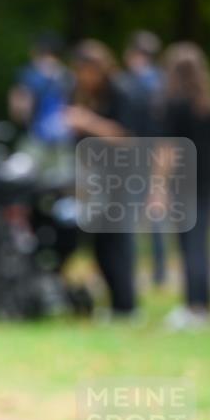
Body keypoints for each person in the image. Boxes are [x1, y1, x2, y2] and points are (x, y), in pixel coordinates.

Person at [64, 39, 138, 318]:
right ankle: (115, 304)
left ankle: (126, 305)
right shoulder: (80, 92)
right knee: (99, 243)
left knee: (118, 242)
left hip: (121, 176)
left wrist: (88, 122)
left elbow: (128, 137)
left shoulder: (121, 92)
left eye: (86, 71)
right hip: (93, 179)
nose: (83, 78)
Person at [158, 43, 210, 330]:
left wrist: (158, 186)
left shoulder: (174, 105)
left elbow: (168, 151)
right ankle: (203, 306)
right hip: (209, 181)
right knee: (201, 244)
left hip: (184, 183)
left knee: (190, 246)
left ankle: (193, 308)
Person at [117, 30, 167, 285]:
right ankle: (159, 271)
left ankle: (133, 270)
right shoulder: (163, 82)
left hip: (136, 154)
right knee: (155, 214)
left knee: (134, 214)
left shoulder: (129, 84)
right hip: (158, 153)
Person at [7, 30, 72, 146]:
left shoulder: (28, 74)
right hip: (66, 142)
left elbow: (18, 112)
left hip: (35, 141)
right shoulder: (70, 75)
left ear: (36, 51)